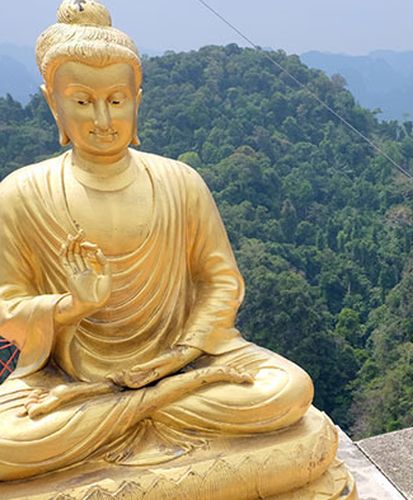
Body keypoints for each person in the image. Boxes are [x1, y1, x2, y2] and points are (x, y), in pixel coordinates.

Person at [0, 0, 313, 480]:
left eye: (117, 100)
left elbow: (221, 282)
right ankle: (149, 413)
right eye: (82, 101)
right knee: (8, 442)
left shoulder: (179, 182)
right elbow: (7, 309)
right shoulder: (21, 193)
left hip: (182, 365)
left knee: (286, 391)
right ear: (52, 102)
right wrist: (72, 306)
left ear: (137, 98)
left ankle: (133, 415)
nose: (103, 119)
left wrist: (181, 356)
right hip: (74, 377)